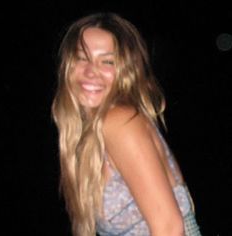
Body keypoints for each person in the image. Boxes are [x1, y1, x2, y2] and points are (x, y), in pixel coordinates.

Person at [51, 12, 202, 236]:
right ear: (67, 66)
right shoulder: (93, 132)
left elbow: (169, 227)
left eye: (107, 62)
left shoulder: (118, 121)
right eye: (82, 57)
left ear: (125, 72)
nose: (91, 71)